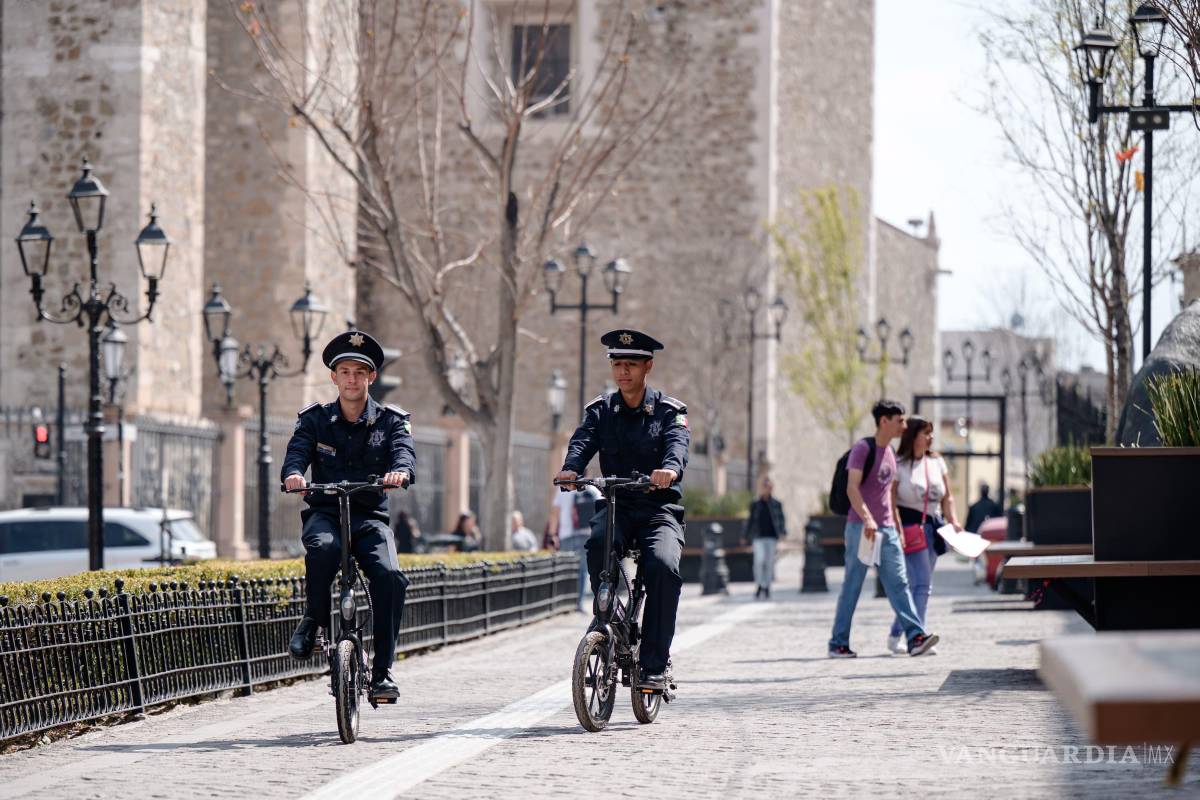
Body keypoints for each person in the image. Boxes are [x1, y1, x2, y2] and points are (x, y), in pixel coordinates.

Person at [281, 329, 415, 700]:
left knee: (390, 576)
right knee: (321, 549)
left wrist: (399, 473)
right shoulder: (314, 419)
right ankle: (313, 619)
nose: (352, 379)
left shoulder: (391, 420)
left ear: (371, 377)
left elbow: (404, 452)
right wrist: (294, 474)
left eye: (360, 372)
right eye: (345, 372)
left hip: (370, 516)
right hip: (325, 511)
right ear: (334, 377)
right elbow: (297, 453)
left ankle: (383, 672)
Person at [555, 329, 690, 690]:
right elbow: (583, 441)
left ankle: (654, 665)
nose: (623, 372)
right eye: (617, 364)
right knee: (598, 544)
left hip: (659, 509)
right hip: (617, 506)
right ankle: (607, 618)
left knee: (662, 566)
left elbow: (677, 445)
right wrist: (572, 469)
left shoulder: (669, 412)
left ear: (648, 366)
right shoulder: (601, 411)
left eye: (631, 364)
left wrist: (670, 469)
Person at [828, 399, 938, 658]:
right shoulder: (862, 449)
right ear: (884, 421)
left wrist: (896, 526)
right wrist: (867, 519)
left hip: (887, 530)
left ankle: (915, 637)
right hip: (860, 528)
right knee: (853, 585)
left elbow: (888, 495)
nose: (904, 425)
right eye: (899, 420)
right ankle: (838, 643)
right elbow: (852, 488)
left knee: (900, 583)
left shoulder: (890, 453)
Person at [886, 416, 962, 654]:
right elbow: (891, 500)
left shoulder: (937, 462)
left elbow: (947, 496)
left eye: (931, 433)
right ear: (913, 436)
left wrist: (955, 521)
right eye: (925, 433)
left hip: (934, 528)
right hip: (910, 528)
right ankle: (916, 637)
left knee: (917, 584)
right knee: (922, 585)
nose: (930, 437)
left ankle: (896, 633)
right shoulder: (899, 464)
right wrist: (897, 529)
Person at [745, 475, 786, 599]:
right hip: (758, 537)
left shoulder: (776, 504)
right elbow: (750, 520)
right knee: (759, 561)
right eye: (765, 486)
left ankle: (766, 586)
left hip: (772, 537)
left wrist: (783, 533)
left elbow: (781, 519)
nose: (767, 489)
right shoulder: (755, 504)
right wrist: (745, 535)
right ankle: (759, 584)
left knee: (769, 563)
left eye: (769, 487)